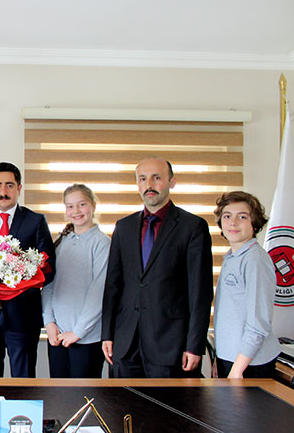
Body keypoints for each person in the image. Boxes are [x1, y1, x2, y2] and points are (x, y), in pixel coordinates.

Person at [101, 157, 213, 378]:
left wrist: (194, 345)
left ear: (172, 182)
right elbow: (113, 286)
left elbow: (200, 293)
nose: (149, 185)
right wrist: (107, 334)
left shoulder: (193, 227)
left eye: (156, 178)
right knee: (123, 401)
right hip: (125, 344)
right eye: (142, 179)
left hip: (171, 345)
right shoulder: (123, 227)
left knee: (167, 402)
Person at [0, 162, 55, 378]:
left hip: (22, 317)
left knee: (23, 383)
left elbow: (49, 268)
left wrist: (23, 273)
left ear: (19, 188)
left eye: (9, 185)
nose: (3, 191)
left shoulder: (36, 221)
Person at [42, 184, 109, 378]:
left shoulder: (102, 243)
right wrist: (49, 322)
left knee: (83, 393)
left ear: (93, 205)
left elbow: (99, 292)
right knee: (59, 393)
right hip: (58, 335)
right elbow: (49, 284)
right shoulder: (61, 241)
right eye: (70, 206)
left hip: (86, 338)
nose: (76, 211)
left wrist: (78, 332)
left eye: (82, 204)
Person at [213, 191, 279, 379]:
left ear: (254, 223)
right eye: (227, 216)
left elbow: (259, 323)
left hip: (250, 364)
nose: (233, 222)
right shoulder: (232, 257)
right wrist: (219, 357)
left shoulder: (255, 260)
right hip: (230, 358)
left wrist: (237, 369)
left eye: (242, 217)